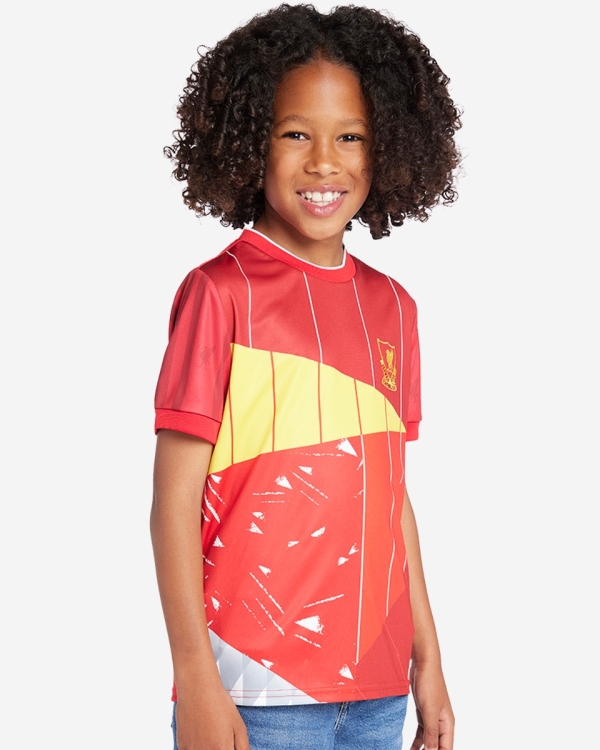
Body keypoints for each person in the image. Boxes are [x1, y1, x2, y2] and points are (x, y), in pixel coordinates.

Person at [150, 4, 461, 749]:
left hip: (379, 694)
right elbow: (172, 504)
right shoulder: (221, 293)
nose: (324, 162)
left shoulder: (394, 307)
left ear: (388, 147)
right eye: (295, 134)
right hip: (254, 693)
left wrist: (428, 660)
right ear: (248, 141)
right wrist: (196, 679)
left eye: (350, 136)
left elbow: (391, 496)